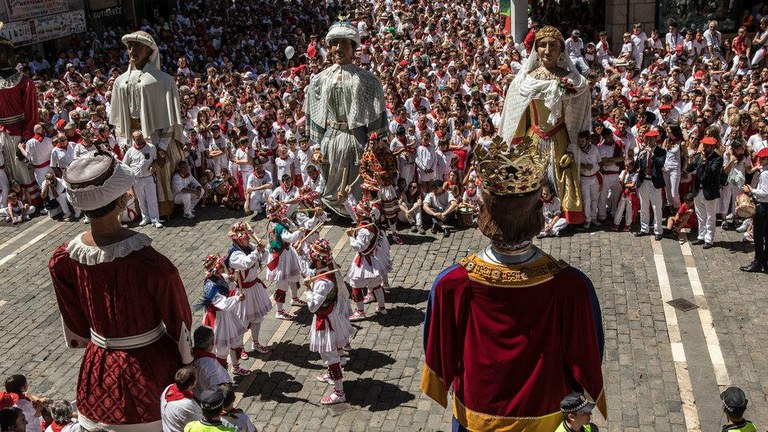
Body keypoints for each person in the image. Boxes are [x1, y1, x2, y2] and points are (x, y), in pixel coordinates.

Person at [421, 133, 605, 431]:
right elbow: (589, 353)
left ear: (484, 213)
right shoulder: (572, 286)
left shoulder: (451, 284)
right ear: (538, 213)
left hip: (478, 417)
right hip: (547, 417)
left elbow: (438, 353)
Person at [48, 150, 193, 431]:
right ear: (124, 200)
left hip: (97, 372)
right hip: (150, 372)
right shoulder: (153, 264)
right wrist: (189, 363)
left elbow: (76, 323)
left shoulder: (64, 259)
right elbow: (180, 322)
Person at [498, 25, 589, 225]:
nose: (547, 51)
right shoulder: (525, 80)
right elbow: (518, 113)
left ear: (561, 50)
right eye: (542, 46)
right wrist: (517, 139)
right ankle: (531, 214)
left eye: (553, 46)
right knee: (531, 175)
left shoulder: (572, 79)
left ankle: (560, 216)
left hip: (560, 136)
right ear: (536, 49)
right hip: (534, 136)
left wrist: (580, 135)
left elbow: (581, 106)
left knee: (562, 174)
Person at [304, 16, 387, 217]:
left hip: (357, 138)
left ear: (353, 48)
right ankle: (334, 210)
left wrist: (375, 142)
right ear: (330, 48)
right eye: (335, 44)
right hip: (331, 137)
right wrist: (315, 146)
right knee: (330, 176)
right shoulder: (320, 80)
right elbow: (314, 112)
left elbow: (376, 112)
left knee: (357, 183)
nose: (339, 48)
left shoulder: (367, 79)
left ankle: (360, 212)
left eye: (344, 44)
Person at [109, 31, 185, 218]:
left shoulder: (164, 80)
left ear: (149, 51)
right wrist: (122, 142)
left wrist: (163, 146)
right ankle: (139, 211)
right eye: (130, 47)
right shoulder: (120, 82)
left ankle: (163, 209)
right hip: (131, 134)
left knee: (160, 171)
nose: (133, 51)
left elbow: (170, 117)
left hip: (156, 135)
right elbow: (118, 118)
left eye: (138, 46)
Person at [303, 238, 354, 405]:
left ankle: (339, 392)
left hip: (326, 321)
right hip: (332, 315)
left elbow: (311, 307)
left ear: (317, 260)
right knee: (332, 352)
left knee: (329, 356)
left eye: (312, 257)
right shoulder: (327, 270)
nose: (310, 259)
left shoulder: (321, 283)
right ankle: (334, 370)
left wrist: (308, 289)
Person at [0, 31, 40, 212]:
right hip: (1, 133)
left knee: (21, 169)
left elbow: (31, 113)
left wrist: (25, 138)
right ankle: (9, 205)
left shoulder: (23, 81)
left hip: (18, 133)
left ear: (7, 53)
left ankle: (29, 203)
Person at [224, 222, 273, 357]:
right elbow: (245, 263)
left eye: (247, 237)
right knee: (242, 322)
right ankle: (240, 347)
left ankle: (255, 342)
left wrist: (262, 251)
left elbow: (262, 259)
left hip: (254, 287)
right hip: (242, 291)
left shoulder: (250, 246)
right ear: (237, 239)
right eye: (245, 237)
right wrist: (257, 251)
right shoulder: (234, 254)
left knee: (258, 317)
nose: (248, 239)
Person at [197, 254, 250, 376]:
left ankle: (236, 367)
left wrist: (232, 280)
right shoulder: (210, 286)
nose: (223, 269)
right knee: (222, 349)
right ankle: (222, 375)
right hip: (219, 318)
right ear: (214, 269)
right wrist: (237, 299)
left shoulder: (220, 277)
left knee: (236, 342)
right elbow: (222, 303)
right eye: (221, 267)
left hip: (227, 315)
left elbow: (228, 283)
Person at [346, 200, 388, 321]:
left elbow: (359, 247)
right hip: (372, 260)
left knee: (355, 284)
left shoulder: (364, 230)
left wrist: (350, 236)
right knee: (375, 283)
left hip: (365, 261)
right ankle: (382, 307)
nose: (356, 216)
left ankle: (360, 312)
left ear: (361, 215)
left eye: (357, 214)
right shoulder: (371, 224)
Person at [265, 202, 304, 320]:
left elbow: (291, 228)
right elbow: (290, 237)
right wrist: (300, 232)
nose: (284, 212)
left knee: (294, 276)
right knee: (282, 284)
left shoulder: (275, 223)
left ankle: (295, 298)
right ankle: (279, 311)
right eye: (282, 212)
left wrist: (290, 223)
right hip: (281, 257)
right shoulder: (279, 227)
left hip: (286, 253)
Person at [123, 130, 163, 228]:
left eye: (141, 137)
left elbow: (155, 160)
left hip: (149, 177)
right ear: (133, 139)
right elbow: (124, 165)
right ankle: (145, 217)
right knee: (141, 199)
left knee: (152, 199)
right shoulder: (130, 151)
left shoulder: (151, 147)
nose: (140, 140)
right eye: (138, 138)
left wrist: (153, 165)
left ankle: (155, 219)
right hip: (137, 180)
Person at [689, 136, 723, 249]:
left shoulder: (717, 159)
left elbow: (711, 173)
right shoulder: (699, 156)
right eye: (704, 145)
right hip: (698, 190)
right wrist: (690, 160)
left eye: (707, 146)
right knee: (700, 215)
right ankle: (701, 236)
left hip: (710, 192)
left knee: (710, 217)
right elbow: (690, 169)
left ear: (712, 147)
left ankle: (709, 239)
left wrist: (704, 161)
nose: (704, 148)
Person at [634, 129, 667, 240]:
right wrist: (639, 156)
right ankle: (644, 228)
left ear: (655, 140)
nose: (648, 141)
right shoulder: (643, 150)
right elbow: (635, 166)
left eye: (651, 139)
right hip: (644, 181)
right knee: (643, 207)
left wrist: (652, 154)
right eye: (647, 139)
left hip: (654, 182)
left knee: (656, 207)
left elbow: (660, 164)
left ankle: (658, 230)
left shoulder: (661, 152)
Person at [741, 147, 768, 272]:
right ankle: (765, 262)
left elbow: (765, 193)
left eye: (762, 158)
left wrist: (751, 190)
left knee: (758, 236)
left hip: (763, 207)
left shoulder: (765, 173)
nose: (760, 160)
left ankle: (758, 262)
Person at [190, 326, 231, 399]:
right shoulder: (210, 364)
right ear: (211, 343)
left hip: (198, 394)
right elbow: (219, 387)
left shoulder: (191, 356)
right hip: (210, 400)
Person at [160, 366, 203, 432]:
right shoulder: (187, 404)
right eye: (196, 378)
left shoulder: (168, 388)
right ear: (191, 385)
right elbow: (201, 426)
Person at [578, 131, 601, 229]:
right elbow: (574, 164)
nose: (581, 143)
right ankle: (587, 219)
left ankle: (594, 217)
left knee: (595, 199)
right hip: (584, 179)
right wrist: (583, 166)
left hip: (594, 178)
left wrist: (593, 167)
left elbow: (600, 162)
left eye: (583, 141)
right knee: (587, 200)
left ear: (588, 140)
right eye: (579, 141)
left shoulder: (594, 149)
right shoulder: (577, 151)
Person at [612, 156, 639, 231]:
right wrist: (624, 174)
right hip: (624, 192)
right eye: (625, 166)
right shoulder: (623, 172)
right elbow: (621, 182)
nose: (627, 168)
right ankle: (616, 223)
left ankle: (628, 224)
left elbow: (632, 185)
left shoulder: (635, 174)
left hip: (631, 193)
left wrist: (624, 184)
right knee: (620, 208)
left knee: (629, 210)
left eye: (628, 166)